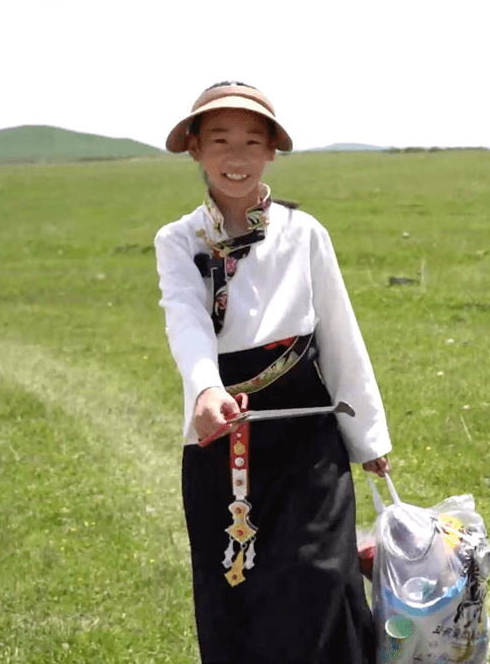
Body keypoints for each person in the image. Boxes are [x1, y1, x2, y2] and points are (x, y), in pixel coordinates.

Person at [155, 81, 391, 664]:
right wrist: (206, 389)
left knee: (320, 583)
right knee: (236, 593)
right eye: (220, 141)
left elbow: (339, 332)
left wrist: (369, 439)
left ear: (270, 152)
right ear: (195, 151)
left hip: (310, 438)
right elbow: (185, 320)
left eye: (251, 142)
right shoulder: (177, 241)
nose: (236, 157)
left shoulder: (305, 233)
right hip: (220, 433)